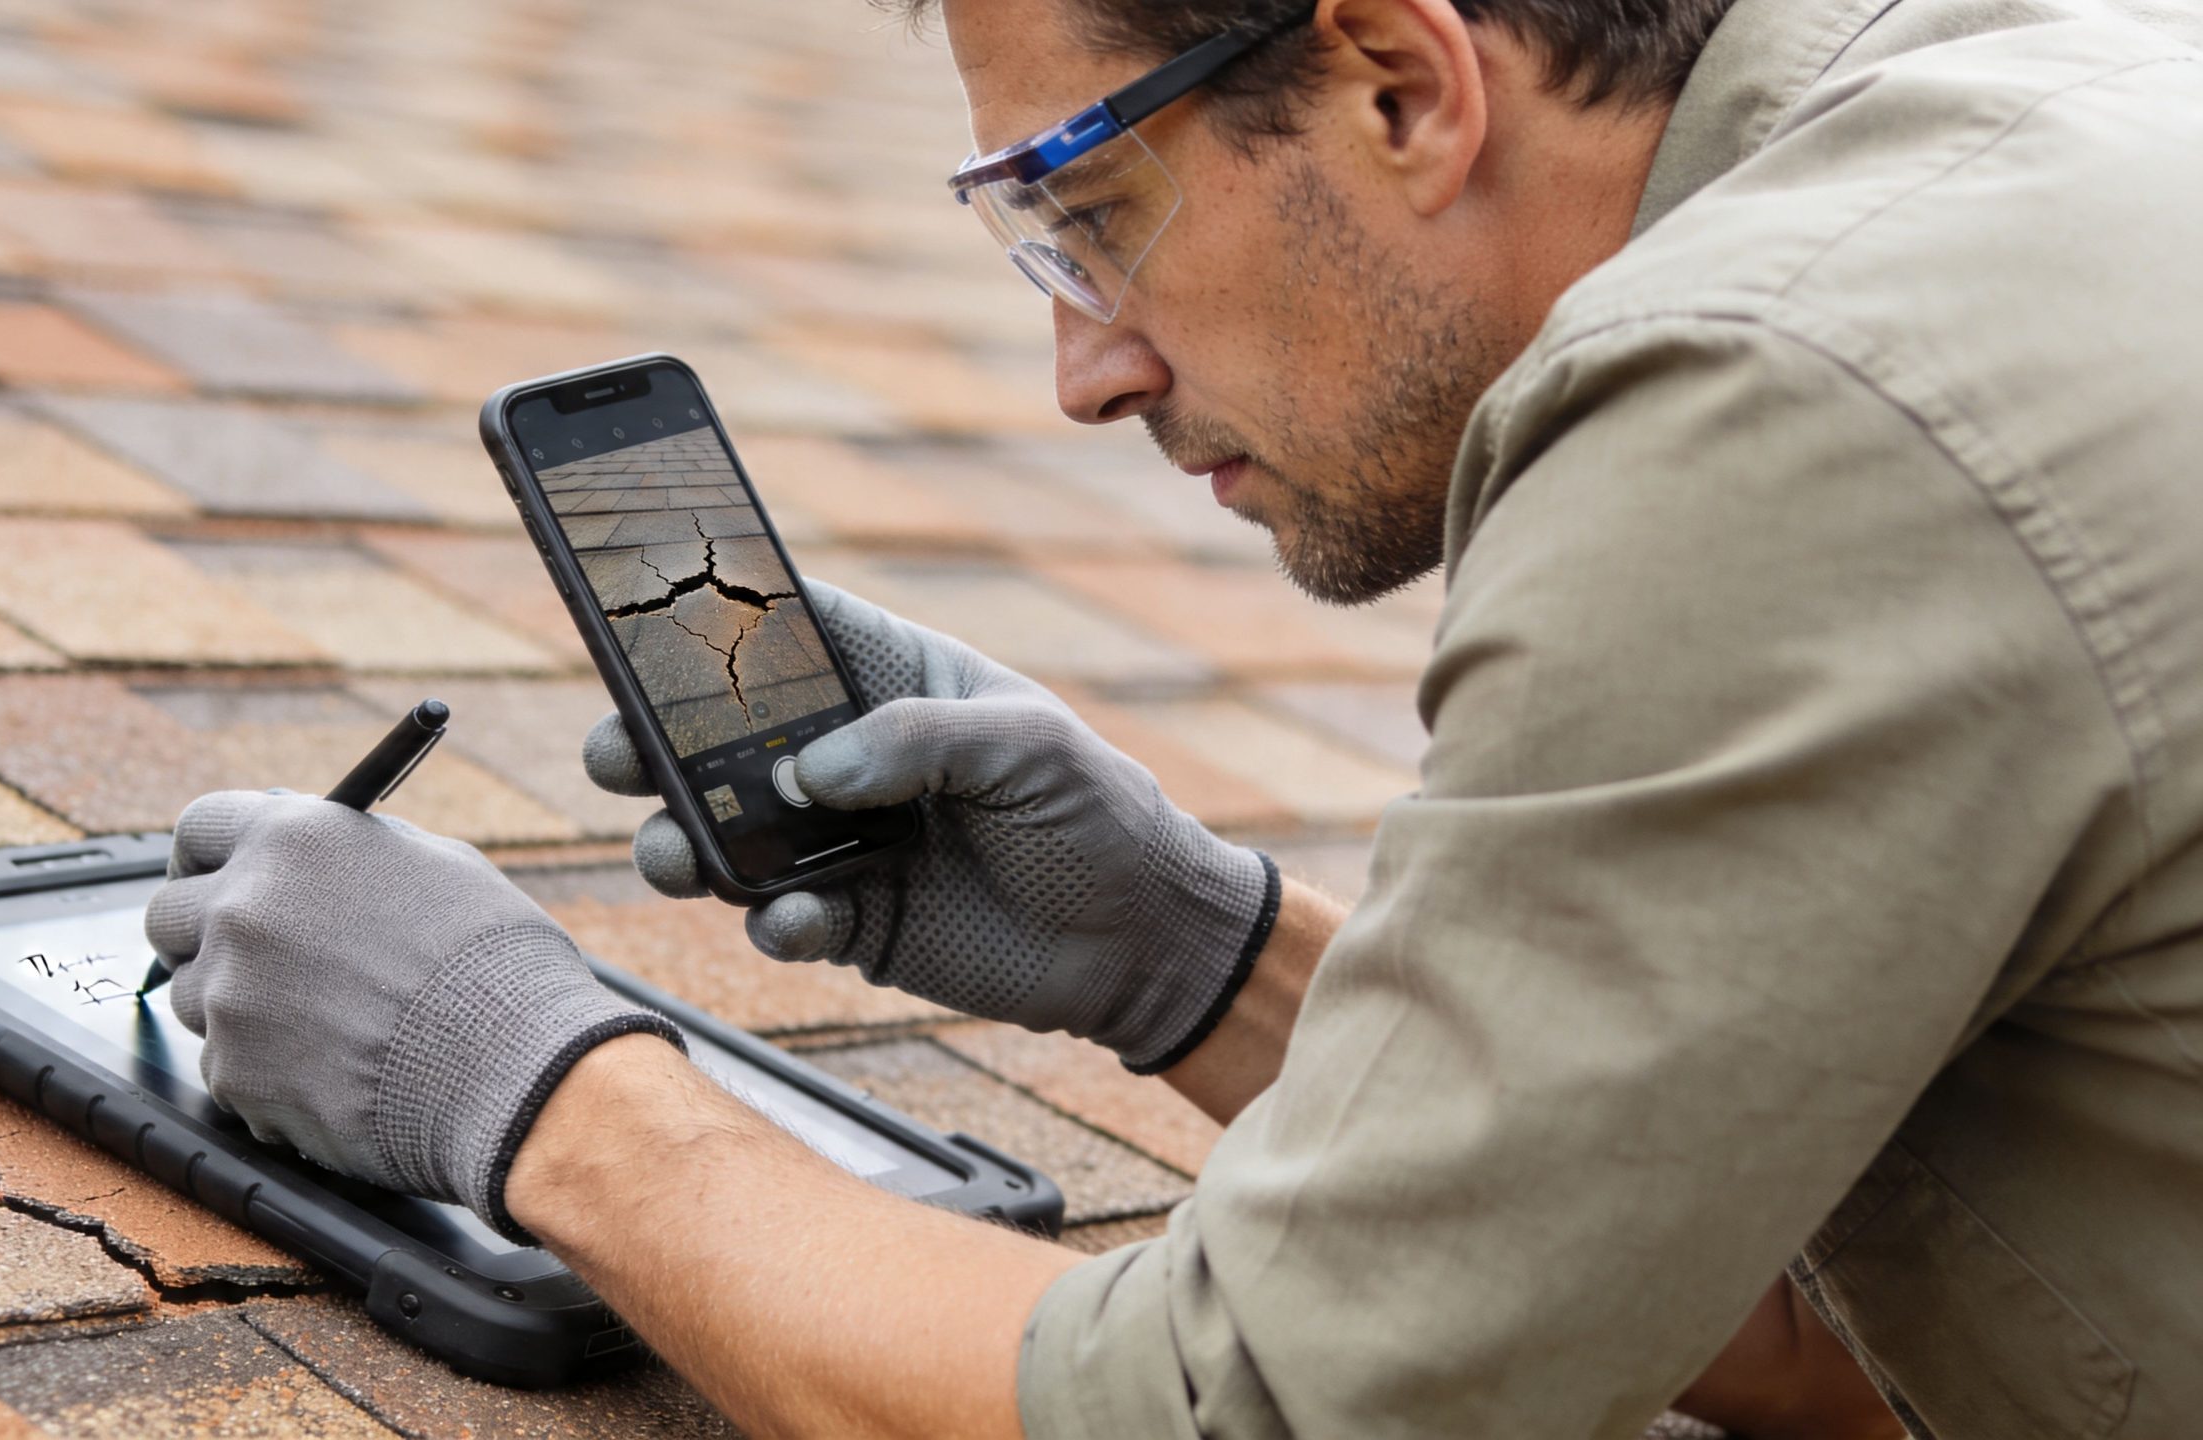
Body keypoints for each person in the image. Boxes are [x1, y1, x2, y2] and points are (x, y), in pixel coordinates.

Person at [139, 0, 2203, 1434]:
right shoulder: (2026, 104)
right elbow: (1838, 1338)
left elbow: (1265, 1417)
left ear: (1398, 80)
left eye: (1088, 212)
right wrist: (1197, 955)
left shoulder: (1776, 400)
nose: (1084, 371)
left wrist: (527, 1083)